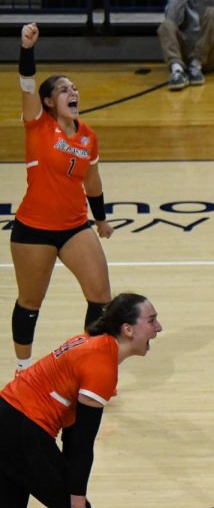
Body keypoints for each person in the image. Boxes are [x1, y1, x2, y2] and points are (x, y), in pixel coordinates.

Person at [0, 293, 163, 508]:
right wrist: (76, 503)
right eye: (151, 320)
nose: (158, 327)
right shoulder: (101, 364)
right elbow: (82, 444)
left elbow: (73, 436)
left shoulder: (95, 348)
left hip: (9, 422)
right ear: (128, 329)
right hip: (20, 429)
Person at [13, 23, 113, 374]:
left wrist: (100, 219)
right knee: (30, 303)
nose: (73, 92)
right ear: (47, 101)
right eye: (63, 89)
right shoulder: (37, 124)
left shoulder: (88, 137)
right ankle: (24, 369)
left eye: (74, 87)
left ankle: (91, 366)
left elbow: (93, 181)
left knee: (101, 298)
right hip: (33, 229)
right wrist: (27, 49)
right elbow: (26, 82)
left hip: (74, 227)